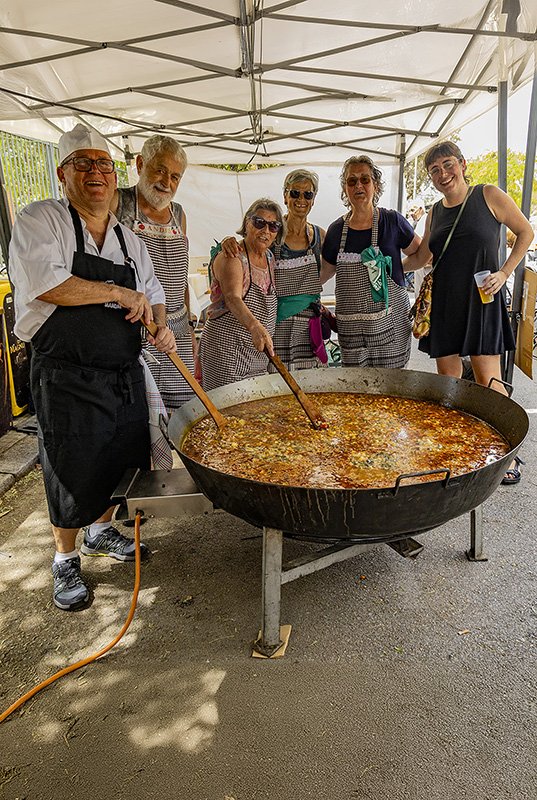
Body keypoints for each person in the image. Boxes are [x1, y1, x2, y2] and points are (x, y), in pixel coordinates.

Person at [8, 124, 176, 610]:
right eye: (83, 164)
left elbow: (155, 295)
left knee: (116, 456)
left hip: (121, 373)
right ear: (63, 174)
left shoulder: (128, 240)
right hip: (65, 373)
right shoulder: (41, 220)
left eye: (103, 164)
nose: (96, 173)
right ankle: (64, 557)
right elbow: (47, 284)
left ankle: (100, 532)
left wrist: (159, 326)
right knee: (70, 463)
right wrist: (118, 292)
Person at [403, 140, 533, 484]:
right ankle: (455, 450)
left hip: (482, 300)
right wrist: (391, 267)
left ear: (462, 164)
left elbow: (525, 232)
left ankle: (509, 456)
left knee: (487, 378)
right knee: (448, 379)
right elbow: (422, 257)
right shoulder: (434, 211)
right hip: (445, 302)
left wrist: (505, 272)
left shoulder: (488, 195)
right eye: (435, 170)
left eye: (448, 165)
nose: (443, 174)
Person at [111, 135, 196, 413]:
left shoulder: (179, 213)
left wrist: (190, 326)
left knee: (180, 415)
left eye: (175, 176)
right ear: (139, 164)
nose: (166, 182)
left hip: (177, 333)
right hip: (135, 331)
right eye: (160, 170)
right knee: (138, 413)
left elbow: (180, 274)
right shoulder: (118, 202)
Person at [320, 155, 421, 368]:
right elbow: (324, 272)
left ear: (375, 184)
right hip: (352, 333)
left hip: (391, 327)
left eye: (365, 179)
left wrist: (396, 269)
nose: (359, 185)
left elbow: (421, 255)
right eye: (351, 181)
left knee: (393, 392)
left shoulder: (392, 221)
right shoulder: (337, 230)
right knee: (357, 393)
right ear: (345, 189)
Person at [221, 169, 326, 370]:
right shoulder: (272, 231)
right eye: (295, 193)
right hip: (275, 327)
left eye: (307, 194)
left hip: (308, 329)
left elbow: (331, 268)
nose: (301, 199)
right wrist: (228, 242)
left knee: (310, 386)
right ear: (285, 197)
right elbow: (247, 246)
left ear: (313, 200)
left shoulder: (320, 236)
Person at [198, 199, 283, 391]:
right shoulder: (233, 256)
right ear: (247, 224)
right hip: (226, 352)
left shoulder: (269, 257)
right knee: (227, 411)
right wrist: (255, 326)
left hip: (256, 354)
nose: (266, 231)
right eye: (259, 223)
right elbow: (232, 298)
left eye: (273, 226)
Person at [407, 199, 430, 297]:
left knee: (422, 294)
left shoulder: (425, 219)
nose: (411, 213)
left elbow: (420, 243)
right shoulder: (416, 222)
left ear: (421, 209)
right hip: (420, 264)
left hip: (425, 264)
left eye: (413, 210)